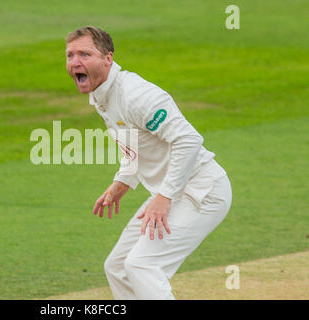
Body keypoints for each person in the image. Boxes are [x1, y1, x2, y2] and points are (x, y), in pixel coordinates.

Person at [65, 26, 232, 300]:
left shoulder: (136, 94)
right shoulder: (103, 94)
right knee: (118, 267)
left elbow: (188, 141)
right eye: (70, 55)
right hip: (174, 191)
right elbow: (133, 140)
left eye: (85, 54)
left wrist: (165, 197)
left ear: (108, 58)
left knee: (143, 265)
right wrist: (124, 180)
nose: (75, 62)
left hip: (203, 191)